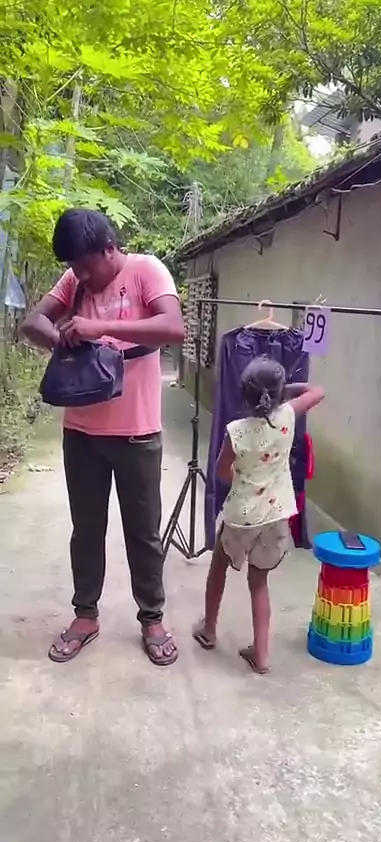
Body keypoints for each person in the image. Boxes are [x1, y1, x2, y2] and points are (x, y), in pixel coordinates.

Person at [21, 208, 184, 666]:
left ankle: (152, 619)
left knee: (143, 534)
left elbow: (173, 328)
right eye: (74, 267)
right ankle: (85, 616)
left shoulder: (146, 271)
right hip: (82, 433)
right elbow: (33, 322)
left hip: (137, 433)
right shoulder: (73, 281)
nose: (80, 276)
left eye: (86, 266)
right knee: (87, 530)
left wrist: (101, 328)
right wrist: (62, 339)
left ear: (109, 249)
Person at [192, 357, 325, 674]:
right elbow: (318, 391)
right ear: (278, 393)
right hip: (277, 514)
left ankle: (209, 630)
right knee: (259, 581)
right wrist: (284, 391)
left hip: (242, 516)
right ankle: (262, 655)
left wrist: (241, 475)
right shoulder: (288, 414)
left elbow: (222, 472)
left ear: (244, 394)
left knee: (219, 566)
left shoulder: (236, 432)